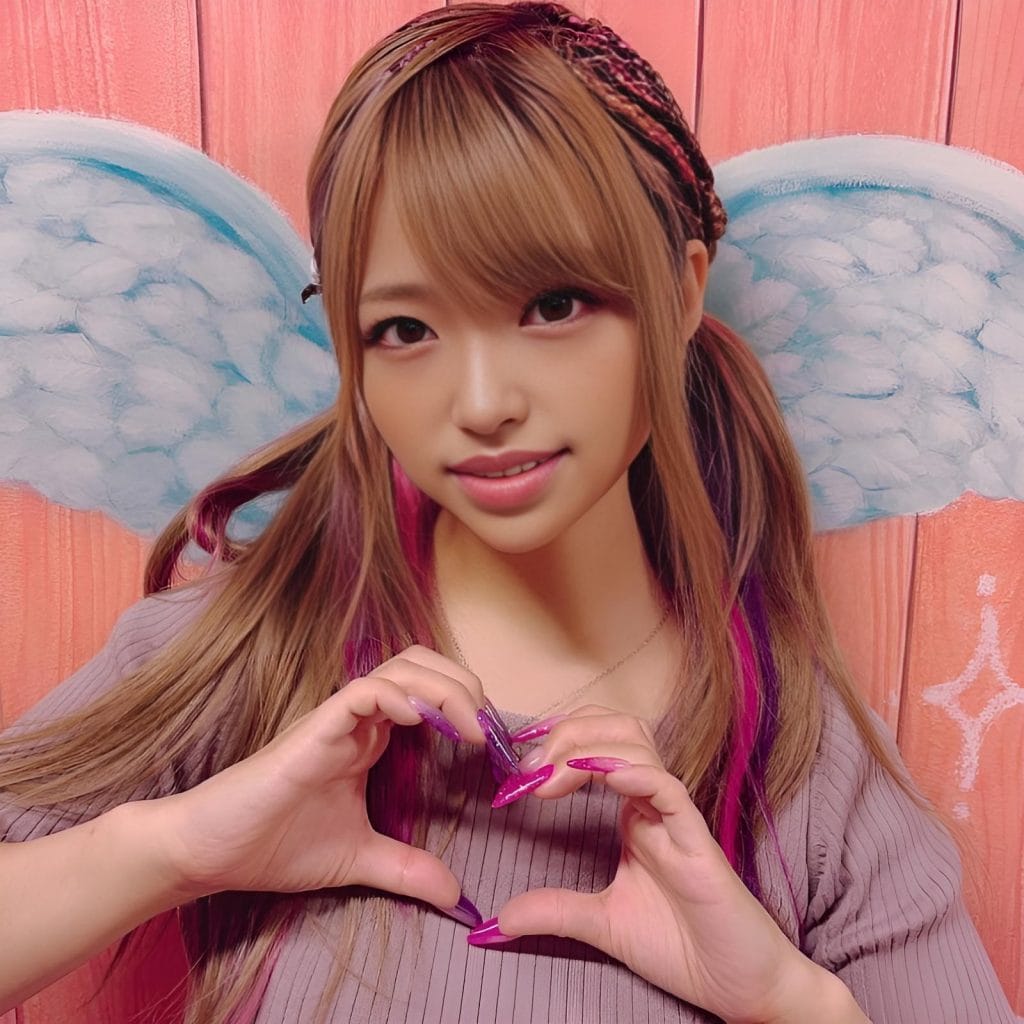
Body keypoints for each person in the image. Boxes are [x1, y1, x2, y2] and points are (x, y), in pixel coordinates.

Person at [0, 3, 1016, 1023]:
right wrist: (174, 849)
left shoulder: (800, 766)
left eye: (553, 305)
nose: (482, 403)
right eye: (404, 329)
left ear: (681, 291)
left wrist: (787, 1000)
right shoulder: (253, 657)